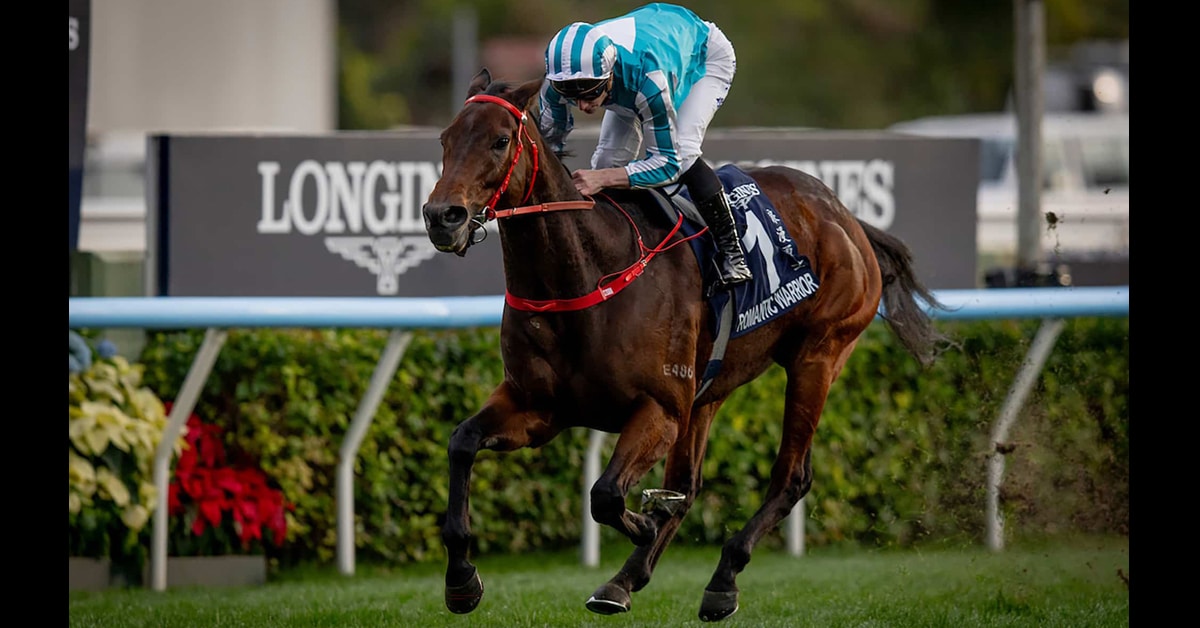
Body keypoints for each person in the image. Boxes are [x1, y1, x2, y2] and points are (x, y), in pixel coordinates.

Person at [537, 3, 752, 289]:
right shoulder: (558, 82)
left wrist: (602, 178)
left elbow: (668, 164)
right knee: (606, 162)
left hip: (703, 57)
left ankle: (732, 252)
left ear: (608, 74)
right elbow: (549, 147)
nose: (583, 105)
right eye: (570, 95)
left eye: (590, 92)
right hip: (641, 60)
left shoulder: (649, 80)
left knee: (684, 152)